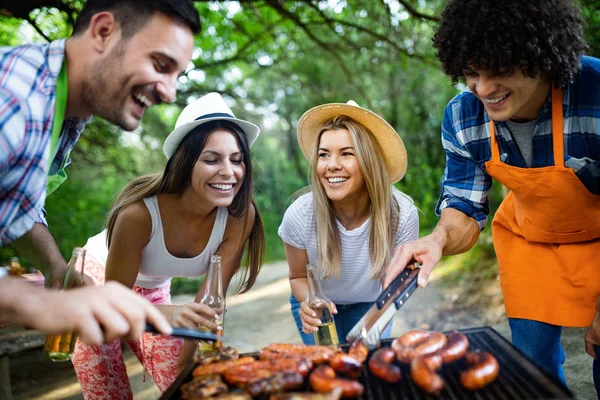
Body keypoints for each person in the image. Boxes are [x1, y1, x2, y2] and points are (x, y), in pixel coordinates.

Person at [385, 0, 600, 392]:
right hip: (532, 243)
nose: (483, 89)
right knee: (532, 368)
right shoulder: (463, 116)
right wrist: (436, 241)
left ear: (544, 54)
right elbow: (464, 209)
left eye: (501, 70)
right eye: (471, 72)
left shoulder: (596, 90)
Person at [0, 0, 200, 343]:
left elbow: (17, 203)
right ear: (103, 32)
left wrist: (55, 267)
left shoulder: (63, 107)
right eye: (160, 65)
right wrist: (39, 304)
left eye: (177, 76)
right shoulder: (13, 100)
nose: (169, 92)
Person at [71, 92, 265, 398]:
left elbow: (209, 305)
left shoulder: (239, 216)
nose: (229, 172)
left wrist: (186, 366)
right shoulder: (138, 215)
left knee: (188, 382)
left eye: (237, 160)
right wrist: (167, 314)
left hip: (153, 289)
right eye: (211, 159)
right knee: (106, 379)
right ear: (185, 162)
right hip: (101, 286)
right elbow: (115, 304)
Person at [279, 100, 419, 344]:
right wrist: (310, 304)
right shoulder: (300, 214)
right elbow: (297, 277)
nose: (332, 165)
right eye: (324, 155)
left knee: (366, 369)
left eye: (346, 153)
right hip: (319, 304)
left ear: (369, 162)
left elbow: (401, 281)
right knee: (329, 372)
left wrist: (376, 317)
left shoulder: (402, 213)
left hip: (373, 303)